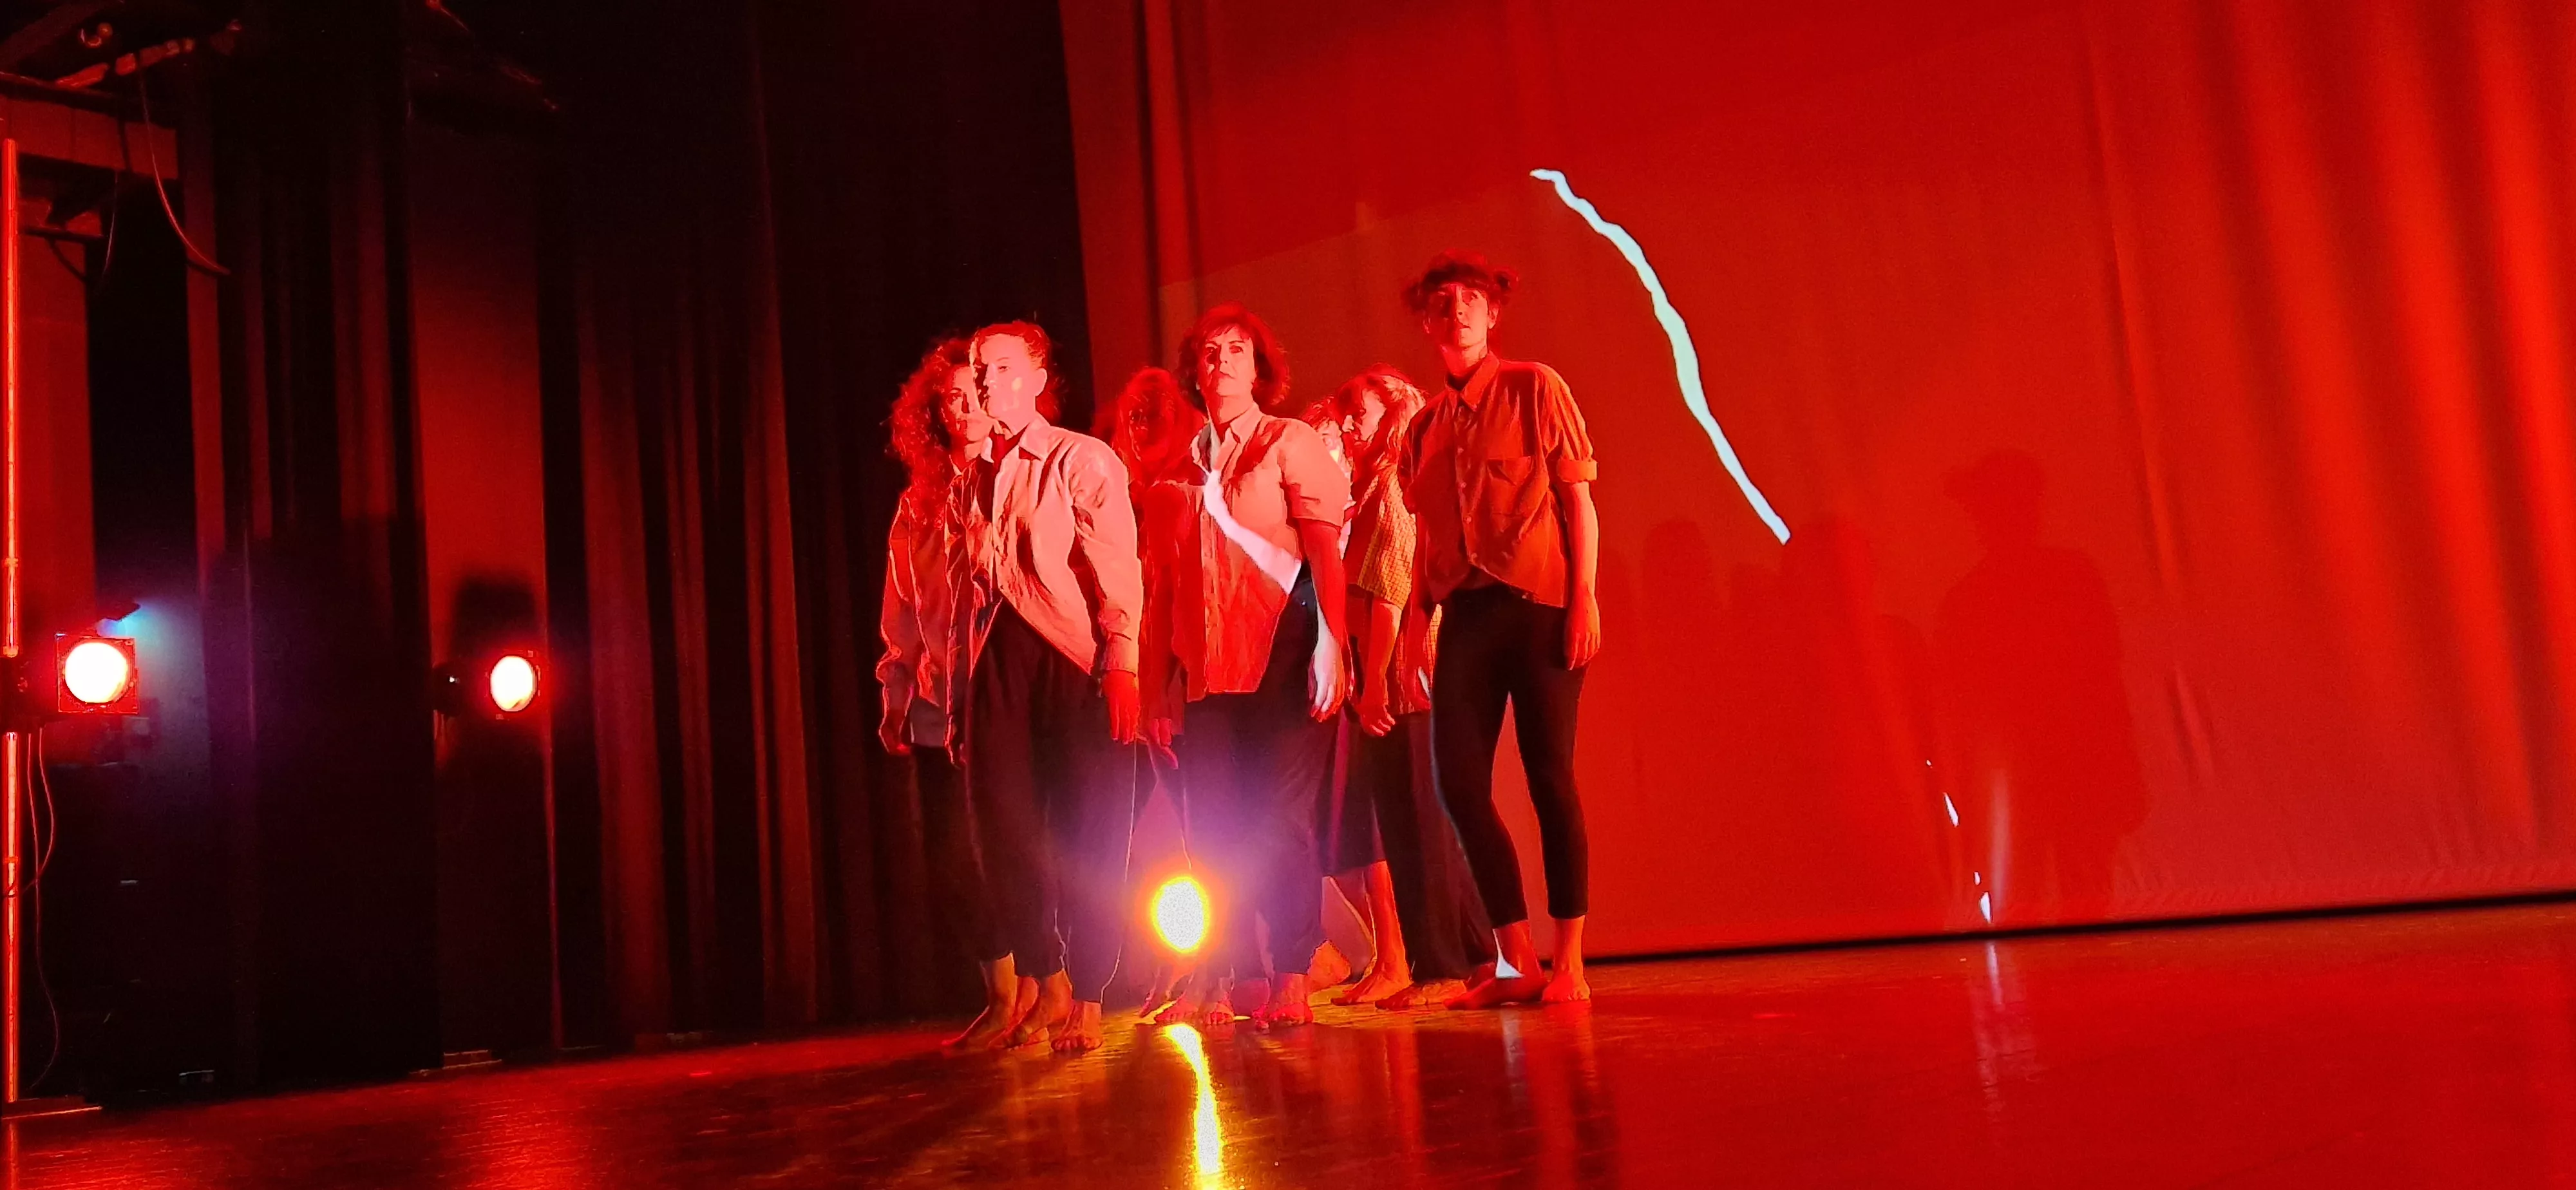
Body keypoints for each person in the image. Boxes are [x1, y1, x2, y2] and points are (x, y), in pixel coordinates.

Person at [1397, 251, 1603, 1006]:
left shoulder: (1533, 386)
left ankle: (1570, 958)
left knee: (1550, 776)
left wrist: (1583, 597)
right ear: (1427, 322)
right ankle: (1515, 960)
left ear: (1491, 316)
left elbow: (1578, 499)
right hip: (1468, 614)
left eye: (1470, 301)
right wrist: (1415, 621)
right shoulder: (1422, 426)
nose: (1456, 311)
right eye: (1442, 302)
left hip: (1541, 602)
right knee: (1458, 783)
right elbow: (1425, 537)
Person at [1141, 302, 1351, 1029]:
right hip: (1207, 670)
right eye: (1208, 351)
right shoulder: (1179, 469)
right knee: (1218, 827)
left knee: (1282, 820)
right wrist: (1155, 690)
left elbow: (1324, 550)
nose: (1221, 360)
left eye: (1236, 349)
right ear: (1194, 372)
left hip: (1285, 651)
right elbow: (1166, 589)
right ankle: (1238, 975)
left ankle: (1294, 970)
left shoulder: (1288, 442)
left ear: (1259, 368)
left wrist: (1332, 642)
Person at [960, 321, 1147, 1052]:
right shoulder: (972, 471)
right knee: (1002, 829)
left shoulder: (1080, 458)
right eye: (978, 370)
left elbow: (1116, 565)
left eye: (1000, 368)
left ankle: (1092, 993)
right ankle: (1048, 976)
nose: (984, 383)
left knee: (1091, 829)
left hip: (1073, 658)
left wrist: (1122, 661)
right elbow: (965, 591)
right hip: (997, 655)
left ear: (1037, 379)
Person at [878, 337, 1032, 1050]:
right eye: (948, 400)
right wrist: (896, 693)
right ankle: (999, 991)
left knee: (1018, 840)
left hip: (1009, 690)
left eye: (972, 394)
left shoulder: (1017, 475)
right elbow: (903, 611)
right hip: (946, 701)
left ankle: (1041, 986)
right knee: (954, 856)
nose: (962, 409)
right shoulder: (918, 503)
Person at [1333, 366, 1497, 1009]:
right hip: (1403, 676)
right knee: (1429, 825)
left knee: (1416, 829)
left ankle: (1441, 966)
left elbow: (1390, 595)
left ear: (1390, 414)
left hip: (1404, 679)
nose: (1347, 427)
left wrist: (1373, 682)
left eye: (1358, 413)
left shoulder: (1389, 490)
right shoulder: (1375, 486)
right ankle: (1481, 956)